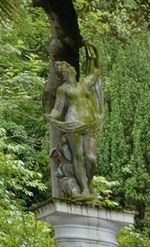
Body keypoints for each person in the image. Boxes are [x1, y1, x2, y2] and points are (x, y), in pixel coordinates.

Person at [46, 44, 102, 198]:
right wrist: (51, 116)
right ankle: (84, 189)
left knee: (91, 159)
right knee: (78, 156)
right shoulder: (63, 89)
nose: (66, 74)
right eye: (62, 73)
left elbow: (97, 69)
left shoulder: (85, 84)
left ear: (73, 71)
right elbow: (57, 109)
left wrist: (93, 48)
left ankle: (88, 183)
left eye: (67, 70)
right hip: (72, 123)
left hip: (89, 123)